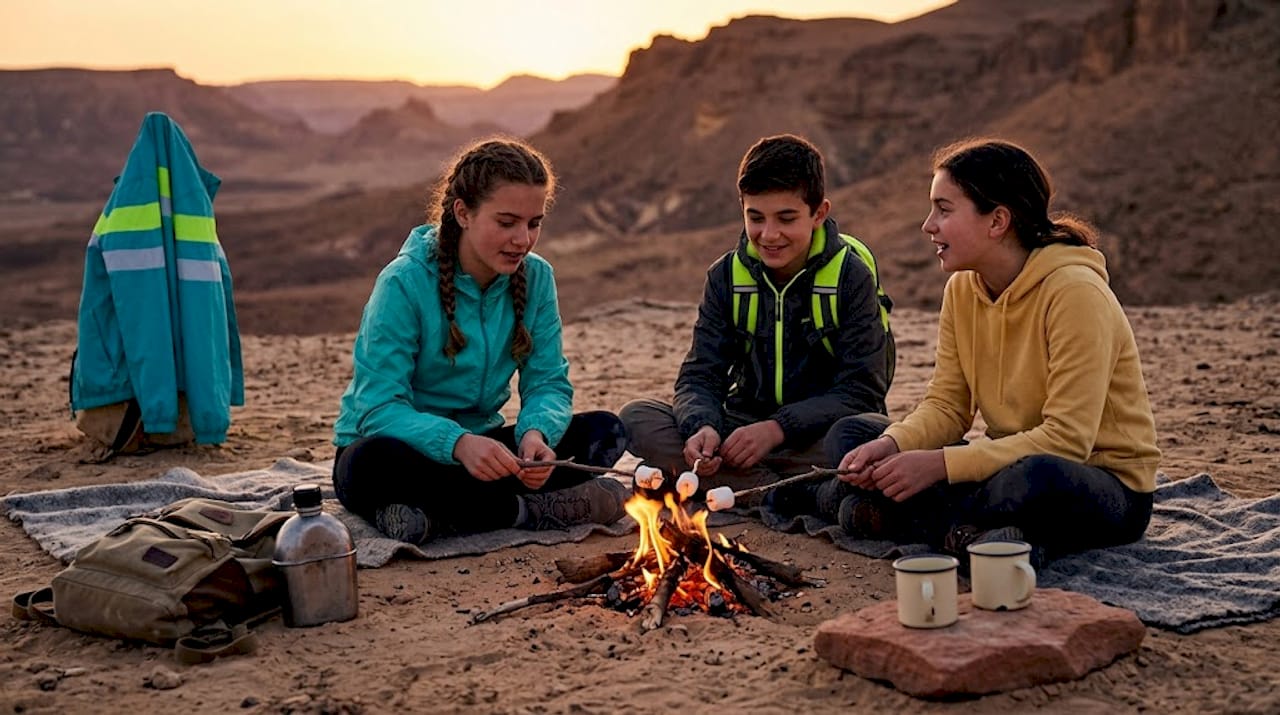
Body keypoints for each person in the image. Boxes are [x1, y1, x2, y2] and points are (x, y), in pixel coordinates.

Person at [828, 138, 1161, 564]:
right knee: (852, 435)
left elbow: (1067, 441)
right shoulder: (962, 290)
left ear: (997, 221)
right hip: (1002, 467)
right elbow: (948, 406)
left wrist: (941, 466)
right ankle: (979, 535)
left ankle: (920, 520)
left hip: (1100, 486)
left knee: (1033, 479)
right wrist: (894, 445)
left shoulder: (1075, 292)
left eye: (944, 210)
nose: (929, 225)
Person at [331, 138, 630, 544]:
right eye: (506, 223)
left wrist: (535, 435)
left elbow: (547, 382)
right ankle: (524, 511)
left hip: (488, 452)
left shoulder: (537, 278)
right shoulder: (403, 282)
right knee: (367, 465)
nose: (522, 239)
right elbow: (378, 408)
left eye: (534, 223)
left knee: (605, 431)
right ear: (463, 213)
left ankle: (435, 517)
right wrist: (456, 444)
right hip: (404, 449)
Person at [620, 134, 894, 500]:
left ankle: (737, 486)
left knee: (872, 437)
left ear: (819, 214)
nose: (769, 234)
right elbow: (701, 374)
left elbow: (862, 391)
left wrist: (777, 429)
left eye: (786, 218)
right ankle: (788, 492)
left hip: (822, 434)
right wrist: (702, 426)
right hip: (740, 432)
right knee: (637, 417)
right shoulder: (726, 276)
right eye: (756, 217)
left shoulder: (850, 276)